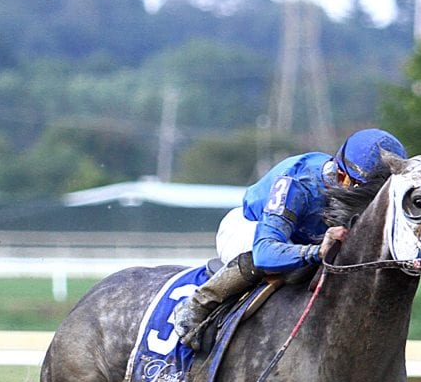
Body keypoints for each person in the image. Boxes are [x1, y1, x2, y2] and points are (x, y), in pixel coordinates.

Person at [170, 128, 406, 350]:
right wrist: (316, 252)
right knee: (271, 262)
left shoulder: (351, 182)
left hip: (302, 239)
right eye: (366, 192)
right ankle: (197, 305)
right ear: (342, 176)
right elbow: (265, 252)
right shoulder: (297, 182)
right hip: (252, 231)